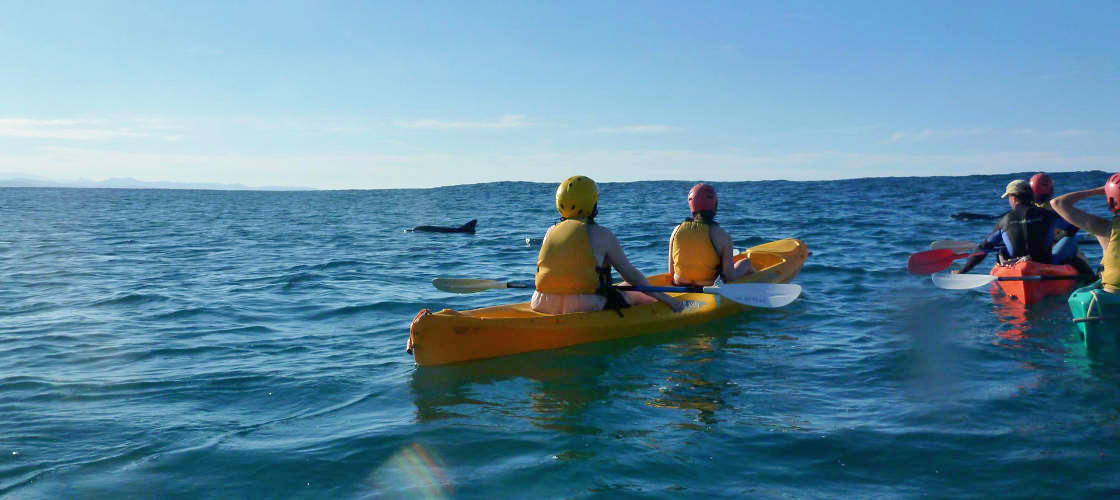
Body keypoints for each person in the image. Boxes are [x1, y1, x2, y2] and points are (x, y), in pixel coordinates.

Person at [532, 175, 684, 314]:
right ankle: (666, 312)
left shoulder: (550, 232)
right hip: (585, 305)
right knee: (634, 292)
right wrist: (668, 300)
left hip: (541, 303)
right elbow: (632, 276)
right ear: (592, 203)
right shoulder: (602, 234)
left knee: (619, 287)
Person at [955, 179, 1065, 274]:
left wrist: (963, 270)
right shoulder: (1048, 215)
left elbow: (984, 248)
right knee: (1071, 240)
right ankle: (1080, 273)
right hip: (1045, 264)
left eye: (1008, 197)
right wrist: (1057, 237)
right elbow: (1073, 228)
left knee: (1001, 250)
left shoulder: (1004, 220)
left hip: (1016, 267)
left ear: (1014, 198)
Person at [667, 183, 755, 286]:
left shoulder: (676, 231)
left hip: (679, 284)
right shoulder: (722, 236)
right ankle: (762, 282)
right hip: (708, 287)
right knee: (746, 263)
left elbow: (671, 273)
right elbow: (729, 276)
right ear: (715, 205)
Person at [1050, 173, 1120, 293]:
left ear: (1111, 201)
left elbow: (1057, 203)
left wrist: (1099, 191)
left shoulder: (1105, 229)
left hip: (1113, 294)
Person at [1029, 172, 1080, 264]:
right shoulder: (1053, 210)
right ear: (1050, 189)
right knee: (1072, 238)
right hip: (1047, 253)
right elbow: (1073, 227)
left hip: (1030, 253)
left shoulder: (1025, 209)